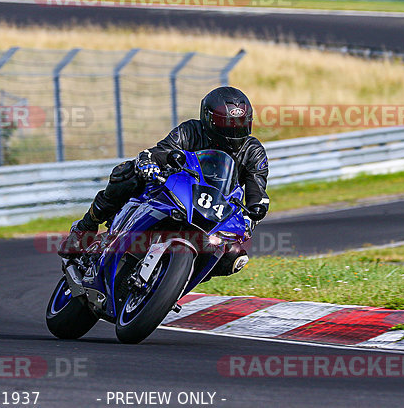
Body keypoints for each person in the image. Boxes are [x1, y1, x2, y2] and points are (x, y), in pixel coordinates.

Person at [58, 86, 269, 275]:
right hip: (177, 189)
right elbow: (162, 151)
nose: (234, 131)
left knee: (235, 255)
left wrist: (253, 214)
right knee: (127, 173)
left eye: (240, 124)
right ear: (209, 120)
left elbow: (256, 190)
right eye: (227, 124)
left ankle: (176, 282)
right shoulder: (191, 131)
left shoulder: (253, 151)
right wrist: (149, 162)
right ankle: (85, 229)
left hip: (214, 209)